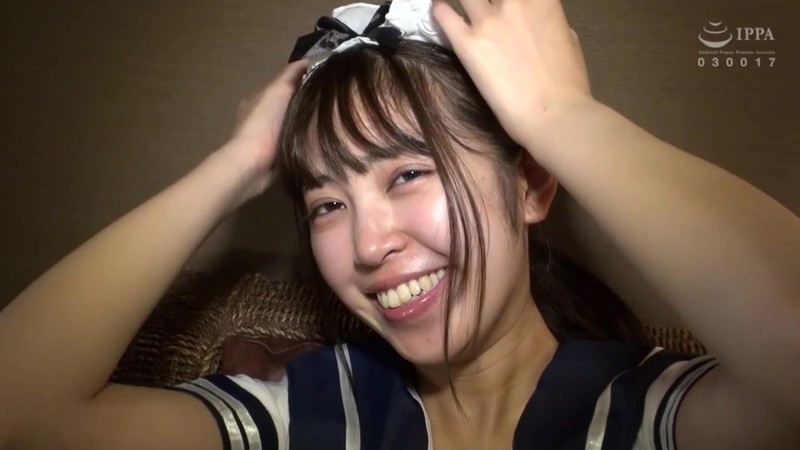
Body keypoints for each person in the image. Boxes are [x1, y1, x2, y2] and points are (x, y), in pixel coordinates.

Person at [0, 0, 798, 449]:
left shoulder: (651, 412)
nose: (369, 244)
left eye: (408, 173)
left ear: (531, 185)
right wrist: (237, 164)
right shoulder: (309, 412)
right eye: (326, 203)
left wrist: (561, 115)